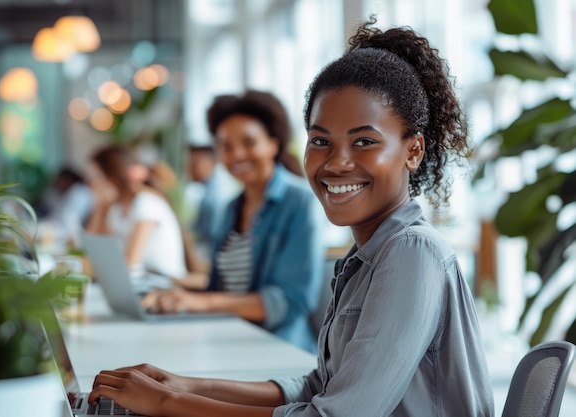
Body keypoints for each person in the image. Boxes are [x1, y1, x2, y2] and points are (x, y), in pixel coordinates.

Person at [88, 18, 495, 417]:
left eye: (365, 141)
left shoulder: (412, 252)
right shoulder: (368, 255)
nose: (337, 162)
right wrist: (186, 385)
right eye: (321, 141)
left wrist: (168, 405)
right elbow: (318, 388)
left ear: (413, 151)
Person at [142, 90, 325, 353]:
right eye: (226, 146)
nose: (237, 155)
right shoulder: (231, 209)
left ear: (274, 143)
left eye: (249, 142)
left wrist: (201, 303)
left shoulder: (300, 202)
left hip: (278, 349)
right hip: (227, 340)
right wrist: (176, 290)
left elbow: (290, 300)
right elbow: (224, 288)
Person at [84, 144, 190, 285]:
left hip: (166, 284)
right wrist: (100, 207)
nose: (91, 183)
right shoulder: (116, 208)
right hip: (141, 283)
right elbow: (95, 249)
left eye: (96, 176)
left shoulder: (146, 202)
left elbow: (130, 265)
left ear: (113, 175)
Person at [185, 144, 239, 258]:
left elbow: (215, 240)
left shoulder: (217, 194)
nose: (188, 169)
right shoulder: (211, 188)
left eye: (194, 163)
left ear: (211, 163)